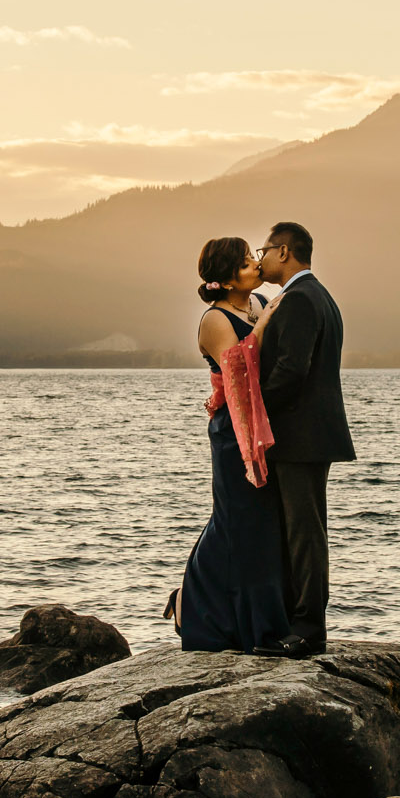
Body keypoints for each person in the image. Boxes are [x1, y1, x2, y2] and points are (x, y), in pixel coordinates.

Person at [172, 237, 291, 653]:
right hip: (234, 431)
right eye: (244, 264)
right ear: (224, 280)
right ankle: (205, 614)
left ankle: (256, 617)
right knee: (238, 522)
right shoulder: (214, 320)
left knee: (264, 524)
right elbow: (238, 366)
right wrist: (266, 322)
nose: (255, 267)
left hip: (264, 425)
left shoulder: (257, 301)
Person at [252, 222, 353, 657]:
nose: (261, 258)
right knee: (304, 529)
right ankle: (301, 621)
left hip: (300, 435)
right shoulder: (320, 296)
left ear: (285, 251)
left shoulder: (298, 300)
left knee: (304, 532)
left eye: (266, 250)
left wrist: (255, 411)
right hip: (313, 433)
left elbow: (292, 370)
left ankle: (308, 628)